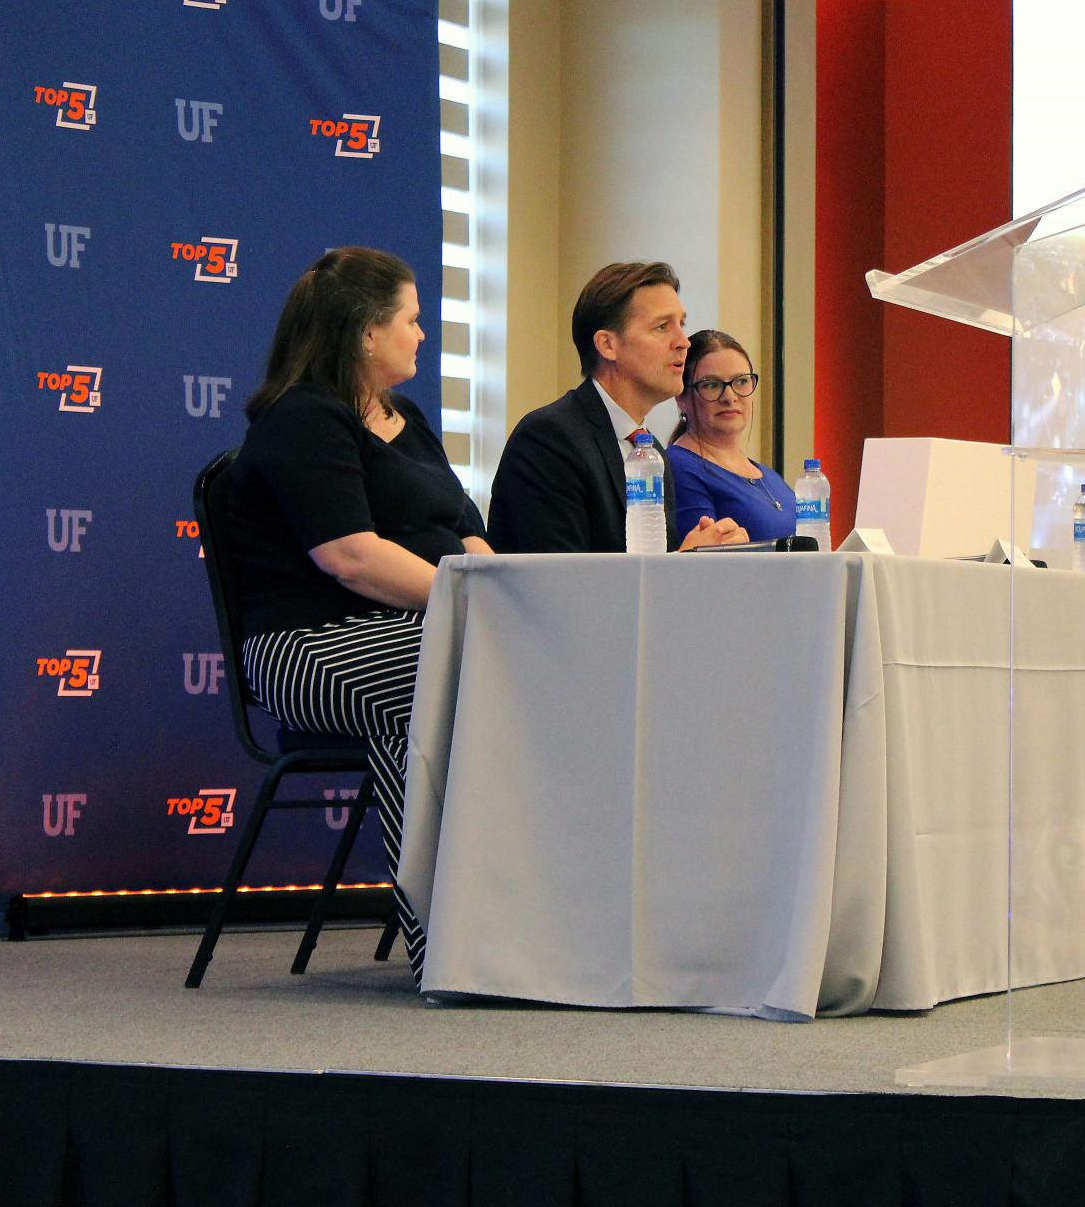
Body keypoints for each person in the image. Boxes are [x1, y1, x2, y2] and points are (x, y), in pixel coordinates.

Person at [207, 247, 489, 979]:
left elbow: (466, 526)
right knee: (439, 677)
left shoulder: (411, 418)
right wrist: (477, 608)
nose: (422, 334)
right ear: (367, 331)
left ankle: (523, 919)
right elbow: (351, 557)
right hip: (305, 647)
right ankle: (451, 940)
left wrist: (499, 592)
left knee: (494, 668)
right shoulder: (302, 418)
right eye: (412, 319)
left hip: (414, 630)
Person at [488, 261, 749, 553]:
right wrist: (684, 562)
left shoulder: (652, 456)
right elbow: (559, 584)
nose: (683, 342)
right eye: (662, 327)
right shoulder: (548, 439)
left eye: (682, 324)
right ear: (608, 345)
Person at [667, 330, 796, 543]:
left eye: (741, 382)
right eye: (711, 385)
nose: (729, 397)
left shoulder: (768, 476)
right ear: (681, 397)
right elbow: (701, 565)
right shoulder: (678, 467)